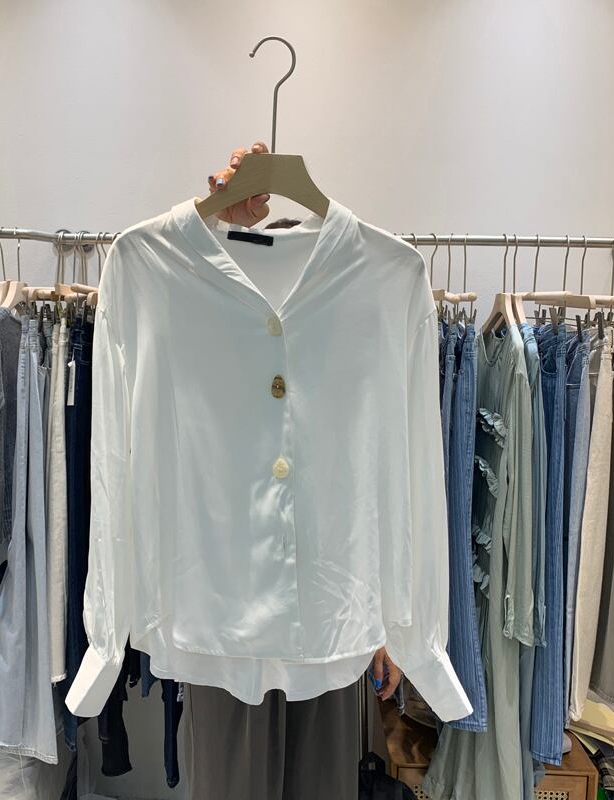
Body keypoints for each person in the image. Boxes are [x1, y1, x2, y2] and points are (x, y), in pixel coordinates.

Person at [205, 142, 403, 703]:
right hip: (224, 628)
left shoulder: (364, 322)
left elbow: (391, 474)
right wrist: (218, 227)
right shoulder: (213, 326)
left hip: (336, 629)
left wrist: (388, 623)